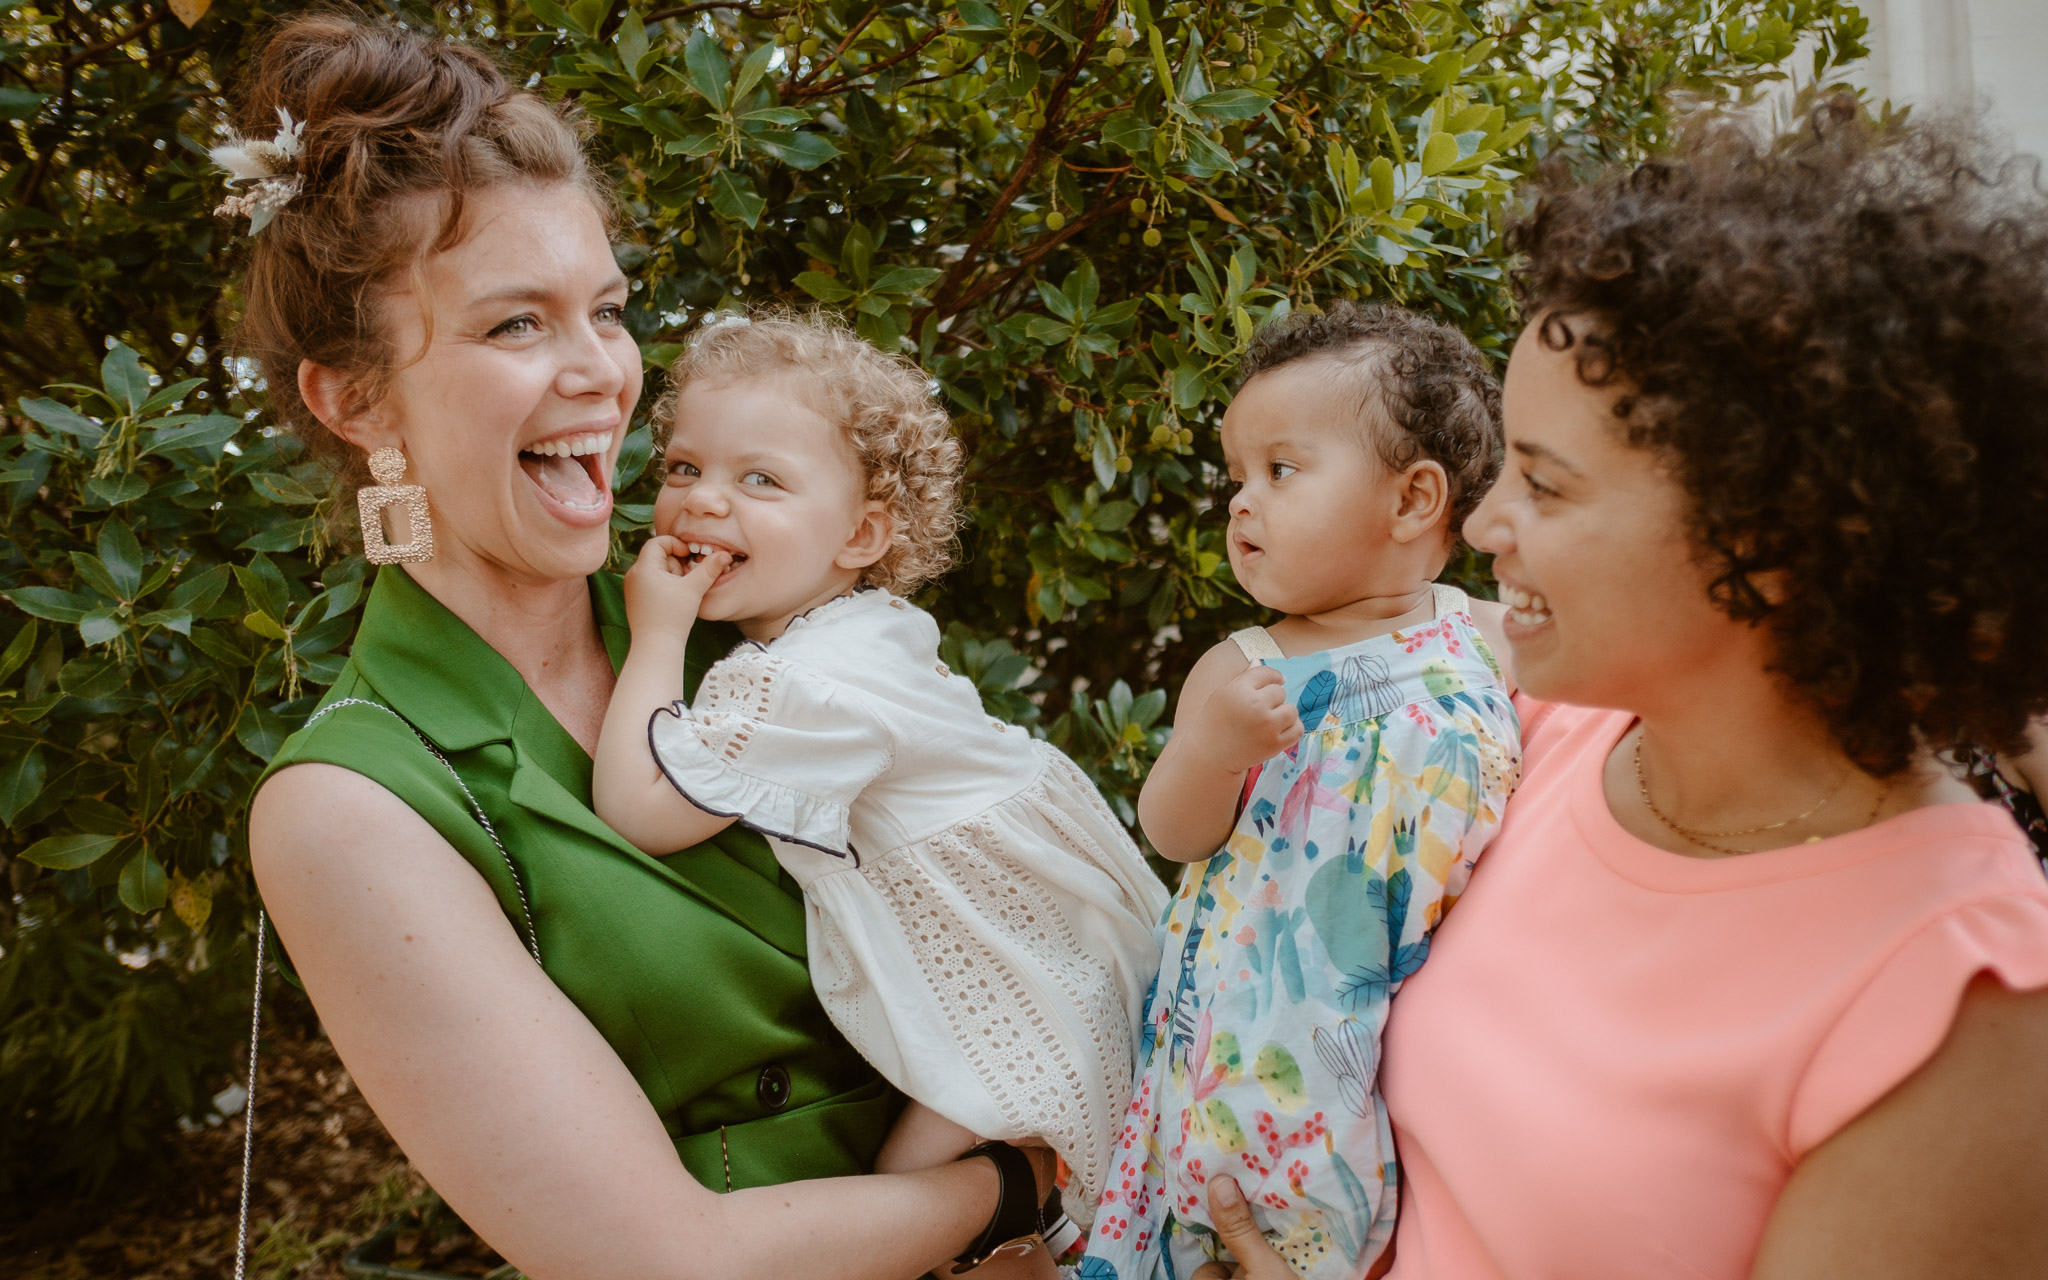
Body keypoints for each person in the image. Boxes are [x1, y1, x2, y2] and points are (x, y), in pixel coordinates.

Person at [241, 16, 1056, 1279]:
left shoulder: (739, 611)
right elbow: (662, 1258)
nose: (603, 374)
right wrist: (1012, 1184)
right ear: (352, 399)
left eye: (608, 312)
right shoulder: (349, 804)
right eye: (517, 326)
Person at [1180, 100, 2048, 1280]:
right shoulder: (1506, 728)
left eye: (1543, 484)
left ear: (1770, 535)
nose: (1483, 523)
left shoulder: (1964, 1007)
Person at [588, 310, 1168, 1247]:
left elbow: (639, 810)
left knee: (915, 1210)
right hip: (1049, 940)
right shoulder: (863, 631)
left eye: (761, 479)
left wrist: (656, 632)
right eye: (685, 468)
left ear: (860, 535)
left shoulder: (809, 682)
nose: (700, 500)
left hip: (1012, 968)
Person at [1083, 304, 1517, 1280]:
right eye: (1236, 477)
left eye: (1279, 470)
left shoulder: (1483, 638)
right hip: (1250, 1067)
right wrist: (1208, 745)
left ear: (1412, 501)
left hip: (1413, 1052)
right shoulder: (1245, 667)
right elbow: (1171, 830)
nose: (1240, 502)